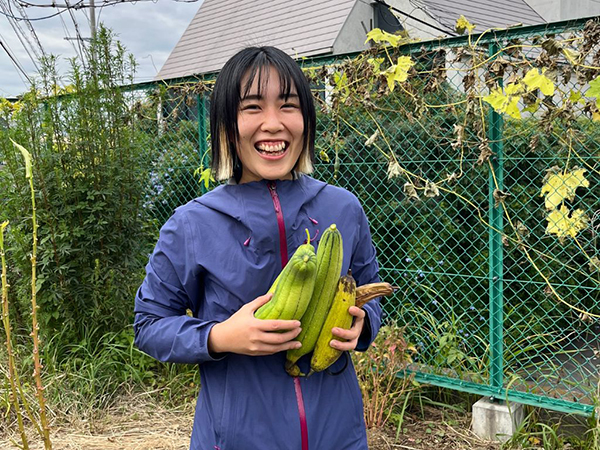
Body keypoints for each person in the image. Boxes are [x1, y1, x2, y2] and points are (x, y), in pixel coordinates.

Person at [133, 46, 382, 450]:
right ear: (227, 126)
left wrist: (363, 323)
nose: (273, 124)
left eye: (288, 105)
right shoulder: (192, 224)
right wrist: (219, 337)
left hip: (340, 435)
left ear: (306, 120)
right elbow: (149, 325)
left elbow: (371, 291)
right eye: (252, 107)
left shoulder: (344, 209)